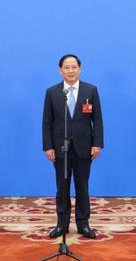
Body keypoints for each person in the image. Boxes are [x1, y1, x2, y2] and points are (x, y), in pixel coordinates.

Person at [42, 54, 104, 239]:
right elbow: (47, 122)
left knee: (82, 186)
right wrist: (48, 146)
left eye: (74, 67)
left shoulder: (90, 90)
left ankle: (83, 224)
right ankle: (62, 225)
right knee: (62, 187)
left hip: (84, 147)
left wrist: (97, 144)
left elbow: (97, 120)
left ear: (80, 69)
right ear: (60, 70)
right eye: (67, 67)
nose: (71, 70)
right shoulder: (52, 92)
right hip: (60, 148)